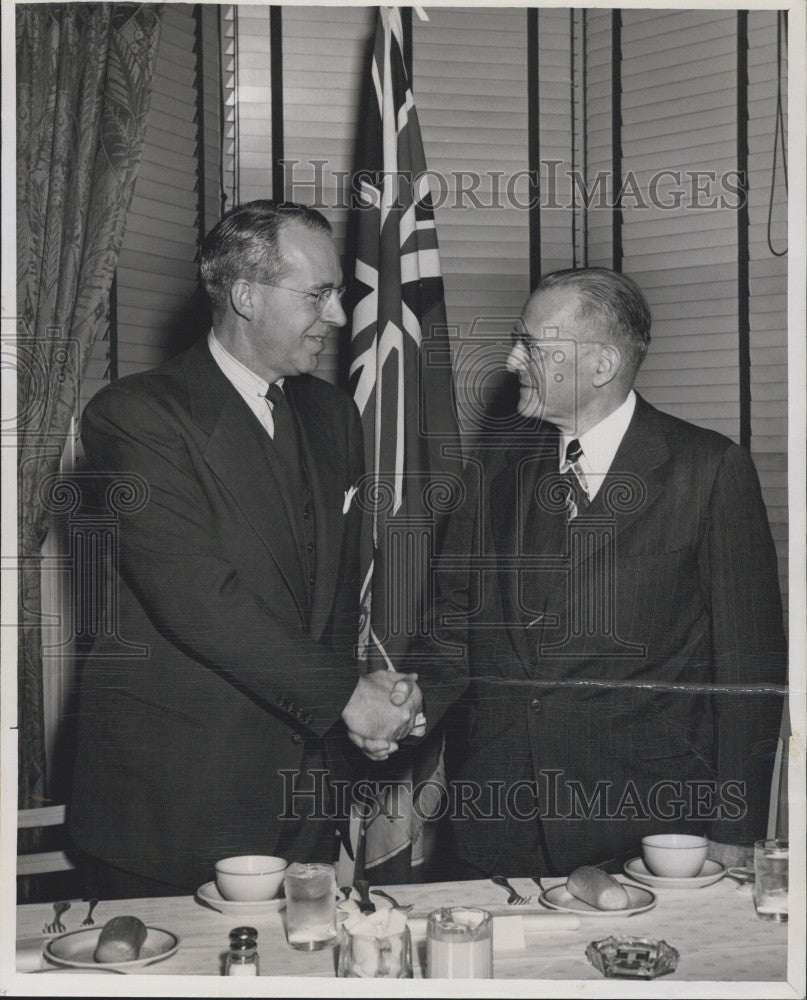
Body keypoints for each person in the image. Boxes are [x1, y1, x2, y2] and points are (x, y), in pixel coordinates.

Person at [68, 200, 436, 898]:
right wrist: (344, 700)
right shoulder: (135, 416)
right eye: (318, 295)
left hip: (301, 802)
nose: (335, 317)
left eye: (338, 294)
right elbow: (199, 599)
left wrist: (369, 695)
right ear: (244, 294)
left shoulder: (331, 416)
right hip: (172, 808)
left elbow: (328, 601)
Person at [430, 267, 787, 878]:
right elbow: (451, 622)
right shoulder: (494, 468)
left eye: (532, 345)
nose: (513, 361)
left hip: (647, 829)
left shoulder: (707, 470)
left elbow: (748, 670)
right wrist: (409, 703)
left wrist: (736, 830)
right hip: (497, 821)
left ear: (600, 364)